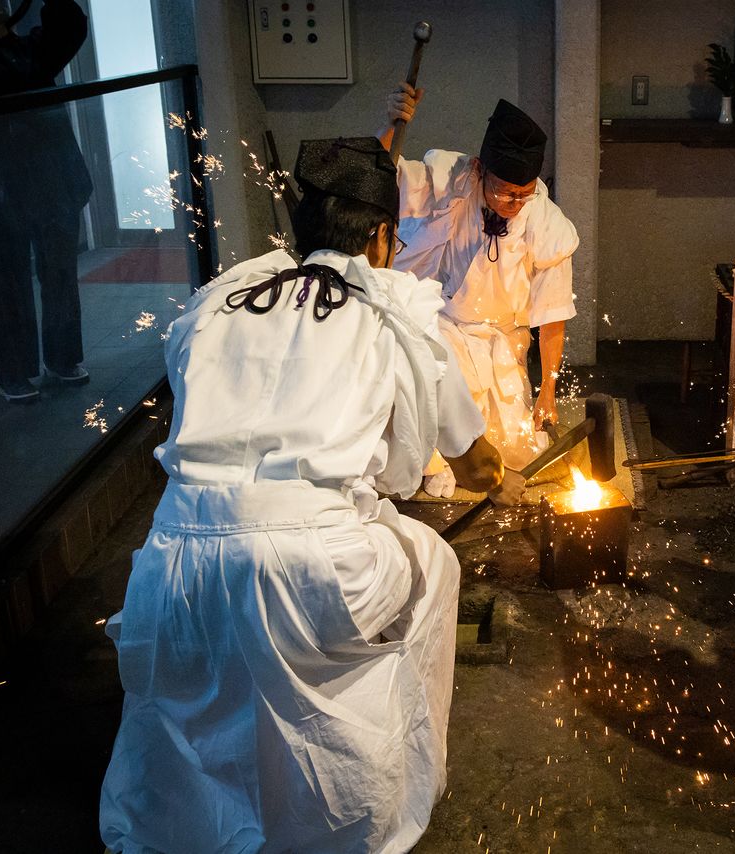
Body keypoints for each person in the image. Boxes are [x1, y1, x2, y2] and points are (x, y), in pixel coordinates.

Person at [99, 137, 526, 853]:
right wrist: (498, 475)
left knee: (230, 638)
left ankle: (202, 824)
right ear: (383, 237)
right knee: (432, 563)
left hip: (173, 564)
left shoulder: (218, 300)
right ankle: (372, 804)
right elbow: (472, 462)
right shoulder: (395, 312)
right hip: (316, 568)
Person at [379, 91, 578, 496]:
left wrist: (549, 391)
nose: (514, 203)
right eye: (505, 192)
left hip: (504, 336)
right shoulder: (451, 179)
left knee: (515, 446)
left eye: (523, 194)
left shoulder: (543, 218)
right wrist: (391, 122)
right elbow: (382, 176)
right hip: (446, 323)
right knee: (445, 428)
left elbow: (553, 314)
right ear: (479, 169)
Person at [0, 0, 93, 403]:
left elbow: (69, 26)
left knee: (57, 274)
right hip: (6, 184)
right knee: (8, 279)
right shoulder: (23, 55)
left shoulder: (28, 50)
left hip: (50, 181)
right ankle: (16, 370)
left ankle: (60, 358)